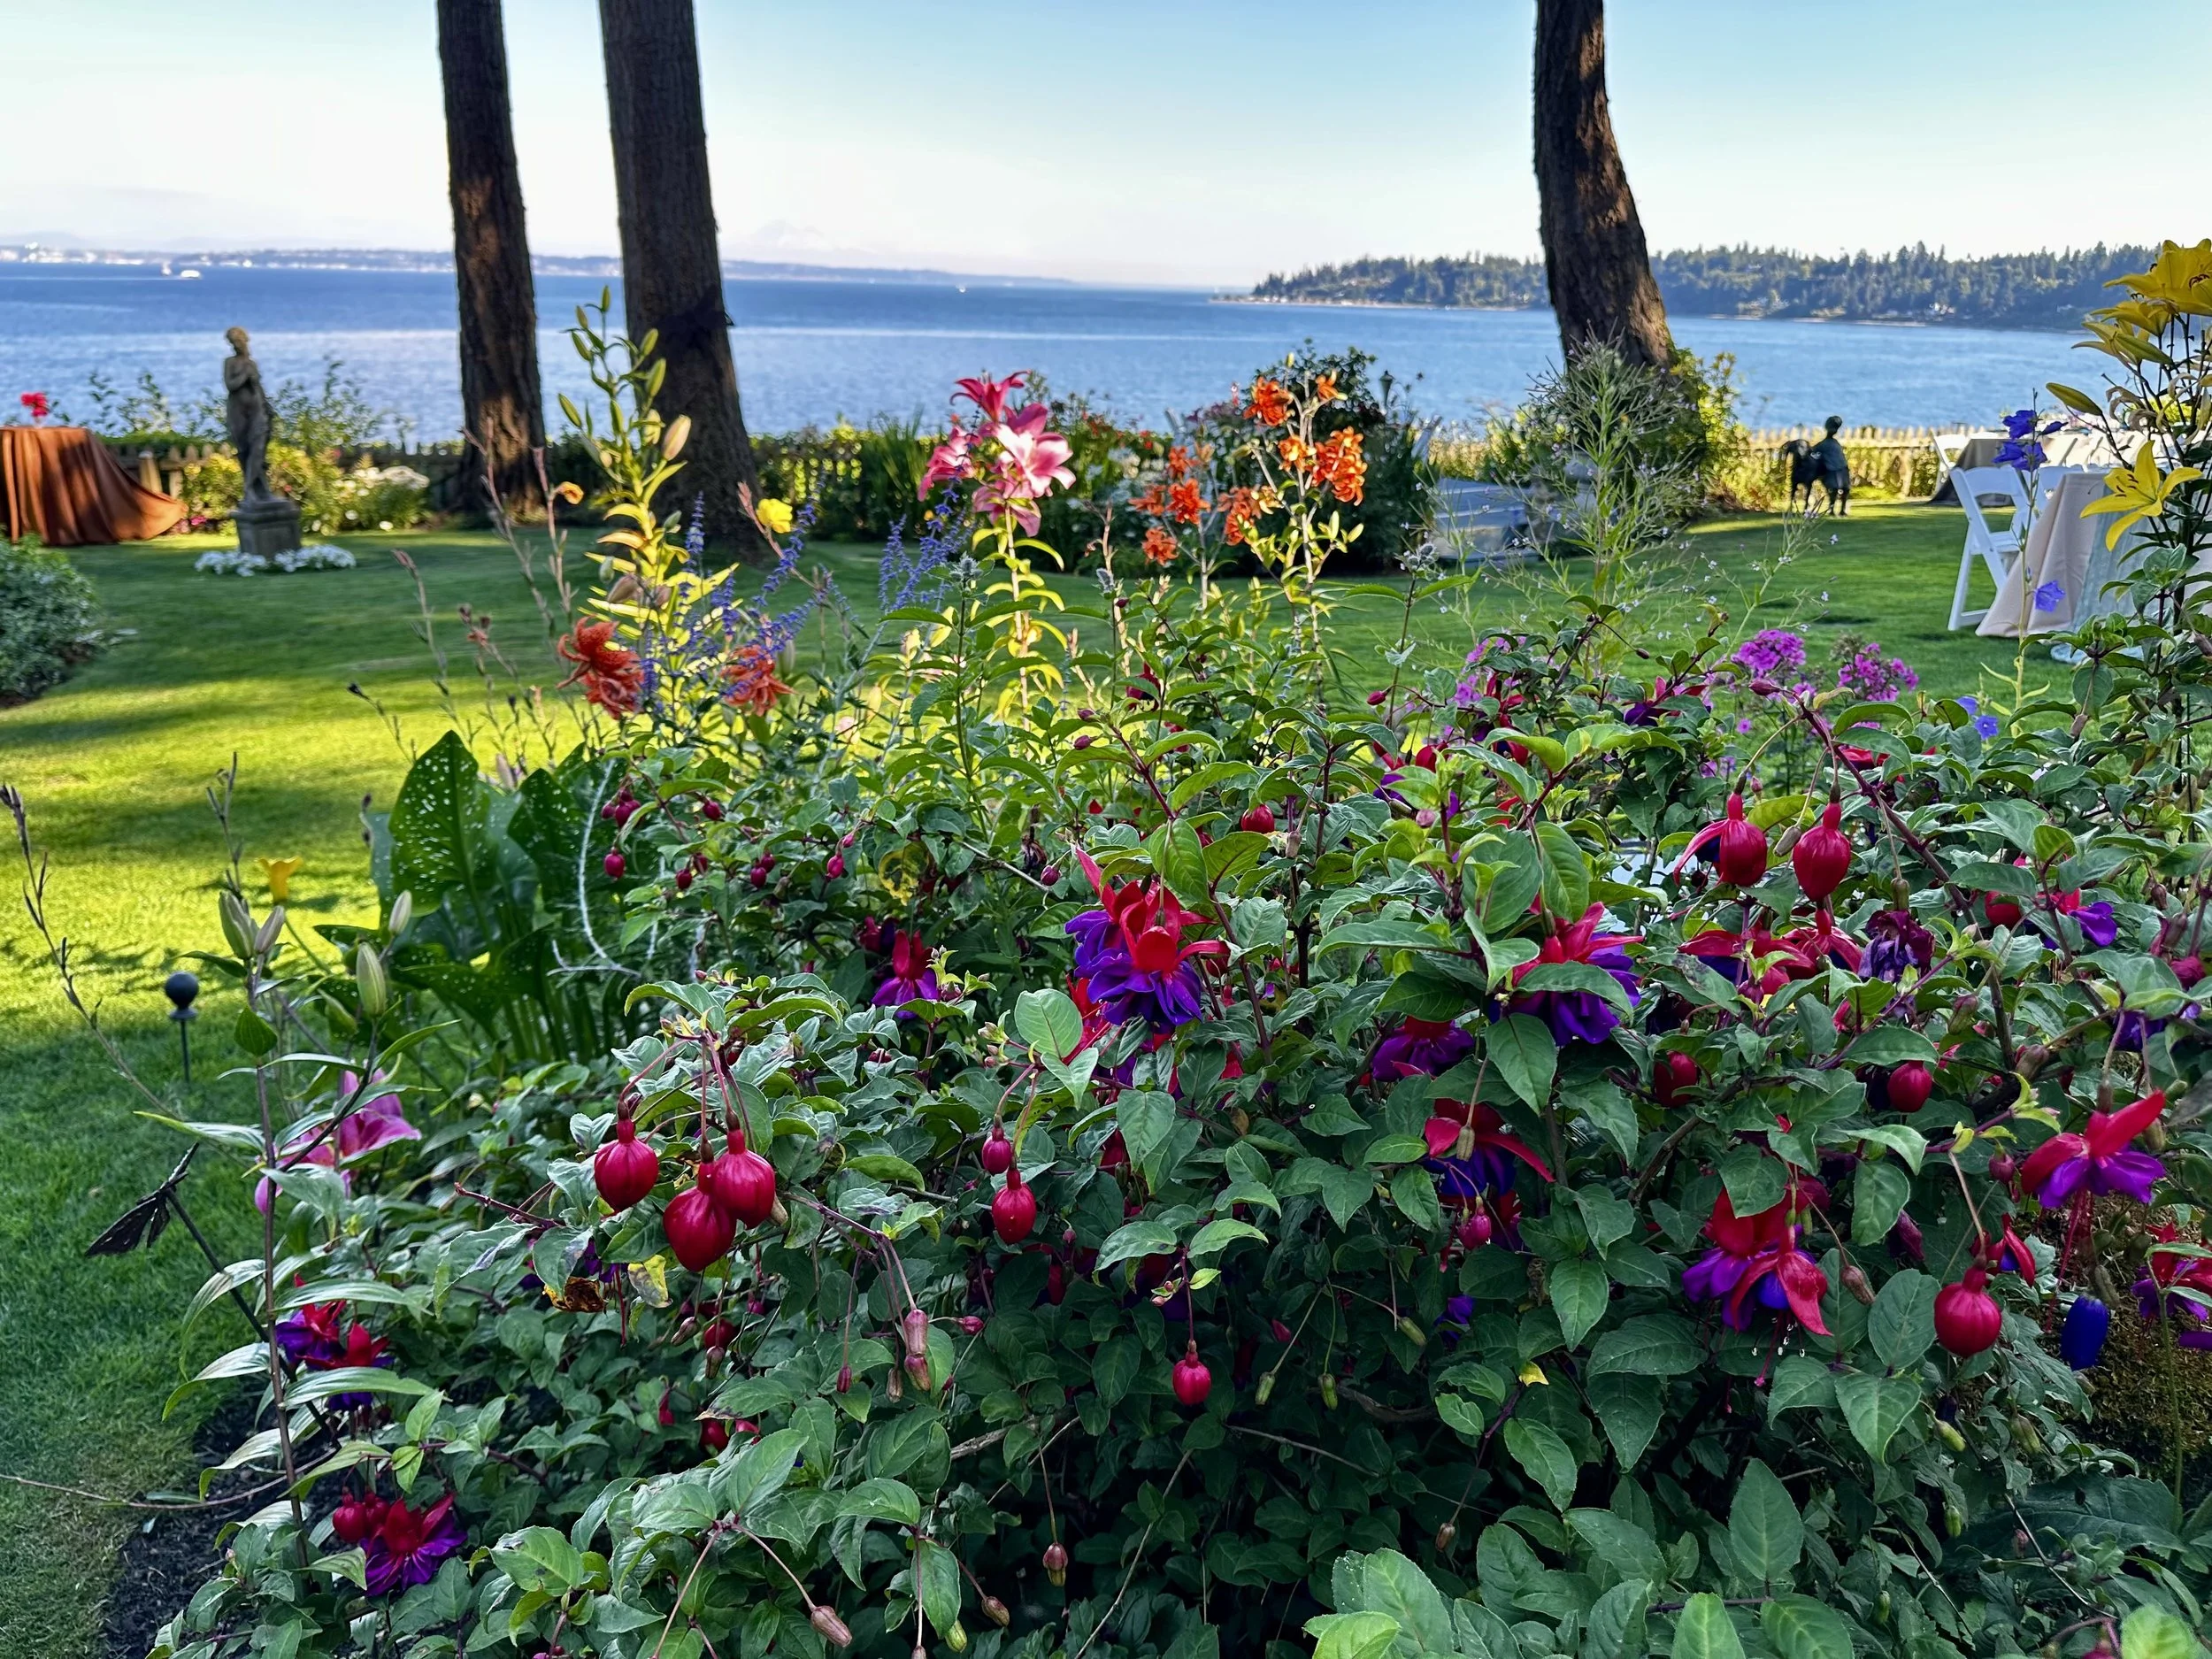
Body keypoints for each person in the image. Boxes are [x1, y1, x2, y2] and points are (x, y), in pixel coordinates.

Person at [223, 326, 273, 503]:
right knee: (246, 450)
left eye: (239, 341)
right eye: (233, 343)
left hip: (256, 409)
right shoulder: (230, 363)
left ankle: (250, 488)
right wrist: (245, 375)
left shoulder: (252, 363)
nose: (237, 345)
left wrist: (267, 405)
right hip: (238, 411)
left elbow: (258, 387)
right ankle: (259, 490)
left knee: (258, 448)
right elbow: (230, 385)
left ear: (245, 341)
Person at [1809, 415, 1850, 516]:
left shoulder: (1825, 444)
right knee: (1840, 490)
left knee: (1836, 490)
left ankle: (1837, 510)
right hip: (1840, 468)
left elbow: (1812, 452)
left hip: (1834, 469)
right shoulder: (1832, 443)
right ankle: (1836, 510)